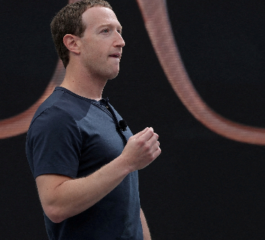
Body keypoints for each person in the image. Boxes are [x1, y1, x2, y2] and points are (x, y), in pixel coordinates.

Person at [25, 0, 161, 239]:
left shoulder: (106, 110)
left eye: (119, 31)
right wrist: (126, 162)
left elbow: (128, 204)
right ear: (73, 43)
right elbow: (55, 205)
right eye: (105, 31)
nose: (120, 41)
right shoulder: (57, 116)